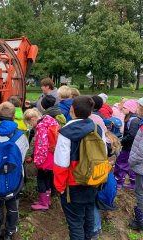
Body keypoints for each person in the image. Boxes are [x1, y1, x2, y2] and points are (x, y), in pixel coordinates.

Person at [54, 96, 105, 240]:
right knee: (88, 216)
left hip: (72, 184)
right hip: (92, 180)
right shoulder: (97, 128)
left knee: (75, 223)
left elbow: (61, 163)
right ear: (90, 111)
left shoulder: (66, 132)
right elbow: (104, 154)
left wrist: (60, 187)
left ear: (72, 110)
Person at [0, 102, 29, 240]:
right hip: (14, 179)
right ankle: (10, 231)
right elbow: (21, 158)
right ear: (13, 116)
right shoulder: (20, 135)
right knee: (13, 204)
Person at [24, 107, 59, 210]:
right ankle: (46, 200)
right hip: (52, 156)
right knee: (48, 179)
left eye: (29, 122)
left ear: (34, 118)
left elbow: (41, 146)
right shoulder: (50, 122)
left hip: (45, 159)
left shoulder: (41, 128)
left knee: (41, 180)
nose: (30, 125)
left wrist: (37, 161)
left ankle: (43, 204)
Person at [114, 99, 140, 190]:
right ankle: (133, 183)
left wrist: (121, 141)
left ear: (130, 109)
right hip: (132, 147)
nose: (122, 109)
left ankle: (118, 183)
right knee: (130, 165)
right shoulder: (134, 118)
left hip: (128, 147)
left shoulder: (132, 120)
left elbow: (131, 136)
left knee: (120, 163)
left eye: (125, 107)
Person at [128, 98, 143, 230]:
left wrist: (131, 160)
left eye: (139, 107)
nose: (137, 109)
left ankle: (140, 221)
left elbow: (141, 151)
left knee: (140, 192)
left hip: (141, 167)